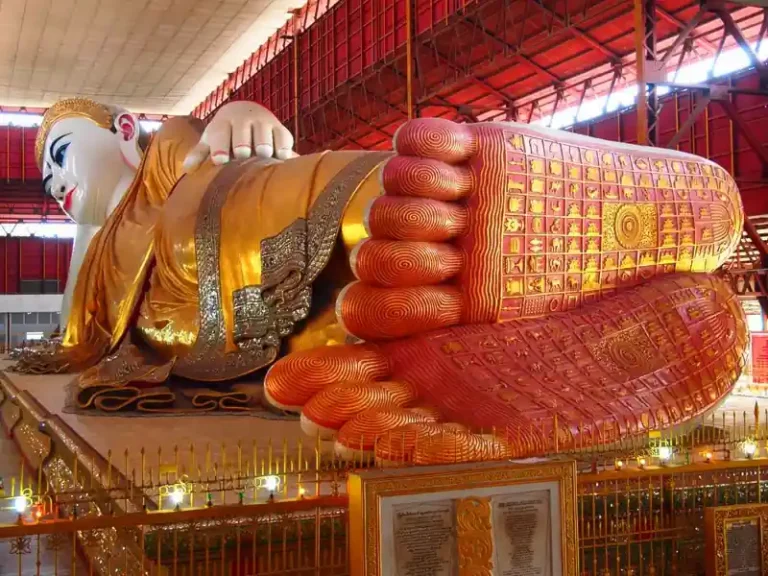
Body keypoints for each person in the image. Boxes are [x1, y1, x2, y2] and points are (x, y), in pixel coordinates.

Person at [17, 97, 748, 463]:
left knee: (383, 211)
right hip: (221, 320)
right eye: (43, 173)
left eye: (58, 153)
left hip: (229, 213)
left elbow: (238, 145)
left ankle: (472, 213)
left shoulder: (174, 151)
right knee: (352, 326)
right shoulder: (101, 273)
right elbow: (85, 340)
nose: (52, 182)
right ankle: (478, 326)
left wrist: (239, 113)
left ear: (118, 133)